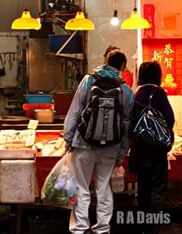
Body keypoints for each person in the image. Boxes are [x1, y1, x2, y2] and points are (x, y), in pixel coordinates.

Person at [64, 50, 134, 234]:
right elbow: (127, 125)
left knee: (82, 187)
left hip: (83, 145)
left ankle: (80, 227)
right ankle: (103, 228)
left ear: (105, 61)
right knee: (103, 187)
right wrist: (122, 152)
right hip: (110, 147)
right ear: (123, 67)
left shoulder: (88, 81)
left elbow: (75, 110)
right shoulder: (125, 90)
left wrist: (68, 138)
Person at [129, 61, 175, 234]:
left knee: (143, 189)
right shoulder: (158, 93)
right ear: (158, 75)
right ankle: (152, 227)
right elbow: (170, 119)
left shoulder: (137, 94)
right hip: (156, 152)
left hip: (140, 151)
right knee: (157, 190)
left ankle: (142, 226)